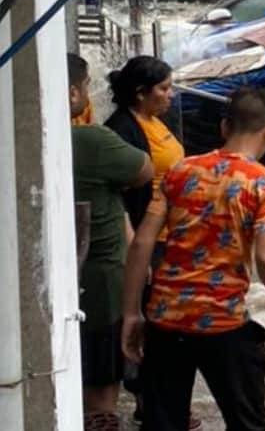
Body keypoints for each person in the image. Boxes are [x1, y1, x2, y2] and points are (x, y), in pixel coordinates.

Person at [120, 87, 265, 430]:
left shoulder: (180, 171)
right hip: (224, 323)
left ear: (223, 128)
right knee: (247, 422)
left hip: (165, 319)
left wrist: (131, 312)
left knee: (163, 422)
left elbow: (142, 243)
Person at [70, 53, 153, 431]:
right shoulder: (94, 140)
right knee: (103, 388)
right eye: (86, 87)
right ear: (73, 92)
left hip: (73, 270)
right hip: (103, 273)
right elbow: (143, 170)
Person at [105, 57, 184, 232]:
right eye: (164, 88)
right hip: (148, 231)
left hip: (171, 227)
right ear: (141, 93)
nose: (171, 94)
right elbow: (120, 194)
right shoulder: (121, 130)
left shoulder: (158, 119)